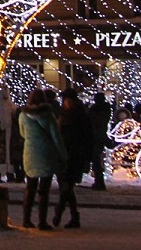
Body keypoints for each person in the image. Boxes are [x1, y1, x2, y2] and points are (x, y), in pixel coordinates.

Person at [17, 89, 65, 230]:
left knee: (30, 187)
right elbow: (56, 137)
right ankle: (42, 222)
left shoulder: (23, 115)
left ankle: (26, 219)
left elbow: (22, 133)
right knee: (44, 190)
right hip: (46, 154)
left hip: (30, 154)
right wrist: (63, 155)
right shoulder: (48, 115)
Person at [53, 88, 92, 228]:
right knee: (67, 187)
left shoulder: (76, 116)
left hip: (74, 155)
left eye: (66, 100)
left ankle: (60, 211)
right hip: (68, 154)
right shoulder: (74, 114)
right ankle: (74, 215)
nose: (65, 103)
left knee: (67, 186)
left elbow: (86, 136)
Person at [87, 91, 112, 189]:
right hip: (101, 135)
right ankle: (99, 180)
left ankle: (99, 181)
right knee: (97, 159)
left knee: (96, 159)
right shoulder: (106, 108)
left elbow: (92, 121)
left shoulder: (95, 109)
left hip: (95, 136)